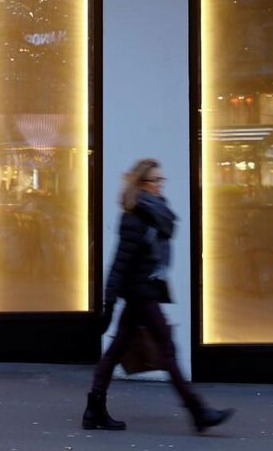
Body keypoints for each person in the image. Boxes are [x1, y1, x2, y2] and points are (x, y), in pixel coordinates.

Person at [84, 159, 233, 433]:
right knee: (166, 350)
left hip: (145, 291)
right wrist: (109, 302)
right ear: (143, 184)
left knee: (118, 349)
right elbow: (120, 262)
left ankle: (94, 408)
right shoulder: (135, 217)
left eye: (162, 180)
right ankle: (198, 411)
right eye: (156, 180)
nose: (161, 185)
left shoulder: (153, 213)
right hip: (141, 294)